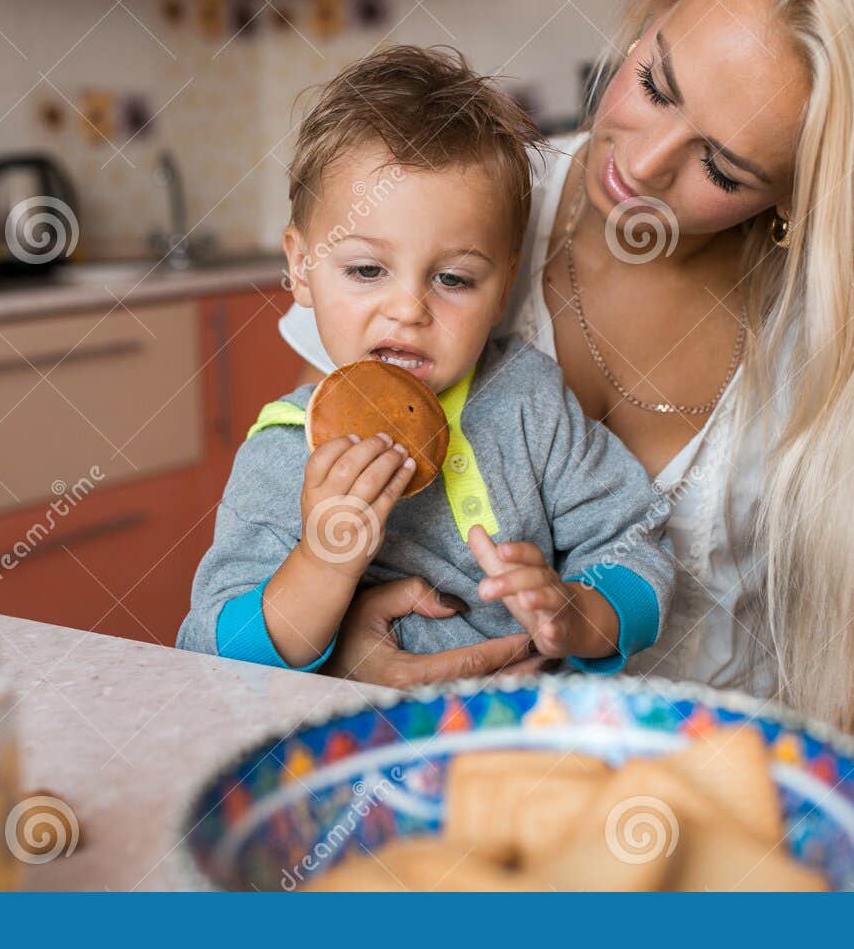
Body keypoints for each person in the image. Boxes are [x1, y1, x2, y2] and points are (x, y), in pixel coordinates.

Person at [284, 0, 854, 775]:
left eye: (721, 166)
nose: (639, 167)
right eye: (654, 84)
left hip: (725, 785)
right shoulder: (458, 204)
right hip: (461, 771)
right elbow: (309, 467)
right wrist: (338, 651)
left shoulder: (852, 326)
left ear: (804, 194)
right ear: (649, 22)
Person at [177, 46, 675, 674]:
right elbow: (209, 650)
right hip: (369, 757)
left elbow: (638, 544)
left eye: (454, 279)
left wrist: (576, 615)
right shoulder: (285, 450)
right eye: (366, 270)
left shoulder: (529, 399)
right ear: (301, 268)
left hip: (536, 743)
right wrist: (324, 561)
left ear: (503, 288)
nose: (408, 309)